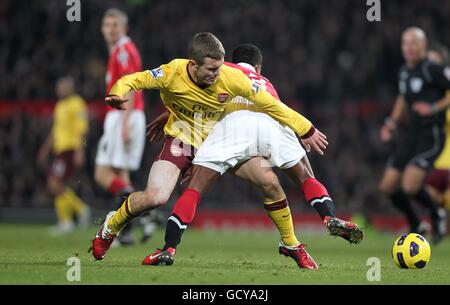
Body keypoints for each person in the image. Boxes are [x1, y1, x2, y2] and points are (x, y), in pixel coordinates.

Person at [90, 32, 328, 263]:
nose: (218, 74)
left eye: (220, 67)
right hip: (183, 141)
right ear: (193, 65)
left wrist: (306, 129)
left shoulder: (230, 77)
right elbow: (133, 79)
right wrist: (117, 92)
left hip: (219, 142)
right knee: (156, 197)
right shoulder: (172, 72)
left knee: (270, 182)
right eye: (212, 69)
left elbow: (272, 106)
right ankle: (112, 225)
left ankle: (291, 244)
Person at [143, 44, 364, 268]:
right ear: (257, 67)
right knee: (300, 178)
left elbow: (195, 99)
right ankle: (326, 217)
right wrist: (304, 131)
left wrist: (171, 114)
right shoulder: (266, 82)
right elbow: (276, 110)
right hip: (271, 124)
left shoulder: (221, 72)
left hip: (234, 128)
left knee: (195, 188)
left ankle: (168, 248)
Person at [379, 27, 450, 244]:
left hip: (431, 135)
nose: (409, 47)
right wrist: (391, 122)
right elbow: (402, 98)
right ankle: (416, 222)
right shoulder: (404, 72)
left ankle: (437, 212)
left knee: (410, 187)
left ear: (423, 46)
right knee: (388, 186)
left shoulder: (433, 69)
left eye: (414, 43)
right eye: (405, 43)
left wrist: (433, 107)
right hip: (410, 136)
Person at [94, 8, 153, 245]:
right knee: (122, 175)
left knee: (102, 174)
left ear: (124, 28)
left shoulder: (123, 52)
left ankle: (147, 211)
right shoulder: (120, 50)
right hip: (126, 117)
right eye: (107, 25)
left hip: (123, 117)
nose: (110, 30)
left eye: (115, 26)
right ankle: (127, 230)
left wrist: (125, 124)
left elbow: (129, 87)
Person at [37, 76, 89, 234]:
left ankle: (79, 210)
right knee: (57, 185)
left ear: (70, 87)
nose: (58, 89)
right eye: (58, 86)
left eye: (62, 86)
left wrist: (80, 151)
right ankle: (67, 220)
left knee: (54, 183)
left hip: (70, 148)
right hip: (60, 149)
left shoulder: (77, 103)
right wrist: (45, 148)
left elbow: (82, 129)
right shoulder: (59, 105)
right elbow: (55, 130)